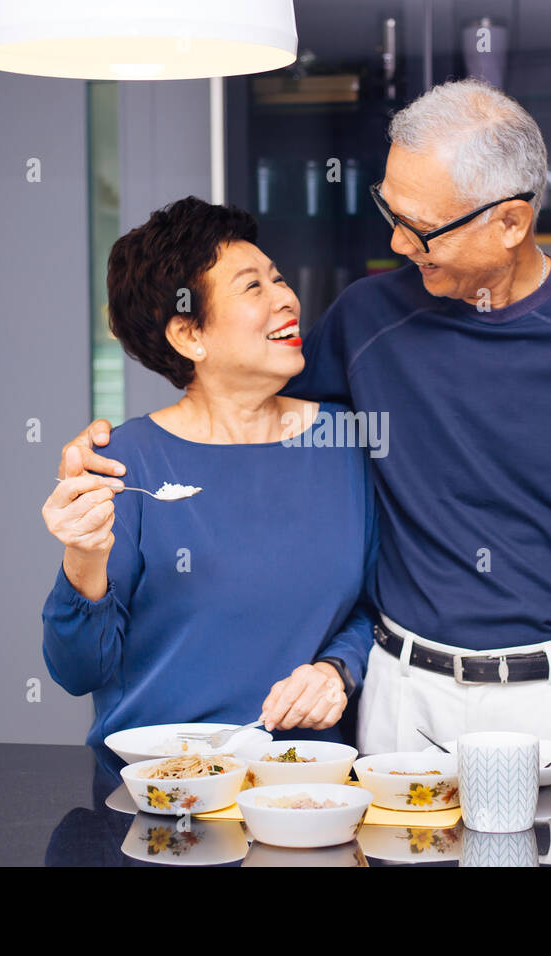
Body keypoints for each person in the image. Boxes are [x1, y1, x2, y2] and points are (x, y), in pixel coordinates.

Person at [62, 79, 551, 764]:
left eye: (421, 229)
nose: (396, 244)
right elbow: (238, 405)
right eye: (391, 213)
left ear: (512, 221)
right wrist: (115, 458)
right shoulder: (366, 317)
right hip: (400, 697)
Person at [41, 197, 377, 780]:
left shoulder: (345, 442)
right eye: (252, 287)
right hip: (163, 794)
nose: (286, 297)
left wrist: (337, 669)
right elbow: (79, 671)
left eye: (278, 278)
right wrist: (84, 559)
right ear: (189, 334)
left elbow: (379, 605)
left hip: (304, 786)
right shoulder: (124, 464)